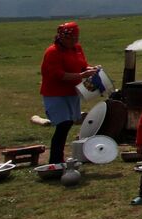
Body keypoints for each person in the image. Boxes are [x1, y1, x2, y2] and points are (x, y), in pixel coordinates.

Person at [39, 21, 100, 164]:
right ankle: (55, 160)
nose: (73, 42)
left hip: (72, 92)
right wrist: (82, 75)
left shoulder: (77, 48)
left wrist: (92, 69)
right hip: (55, 93)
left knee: (68, 123)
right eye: (69, 39)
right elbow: (59, 75)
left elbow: (82, 65)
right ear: (61, 38)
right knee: (63, 124)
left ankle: (58, 159)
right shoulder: (52, 52)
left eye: (75, 39)